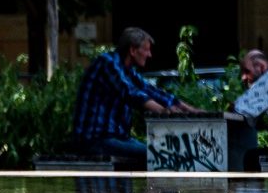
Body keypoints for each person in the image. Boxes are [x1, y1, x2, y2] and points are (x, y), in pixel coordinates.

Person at [67, 27, 185, 161]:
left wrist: (191, 110)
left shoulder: (128, 71)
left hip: (117, 139)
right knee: (159, 154)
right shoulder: (107, 62)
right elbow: (131, 93)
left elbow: (152, 91)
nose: (149, 55)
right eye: (146, 49)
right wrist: (163, 111)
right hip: (95, 141)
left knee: (158, 151)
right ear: (133, 50)